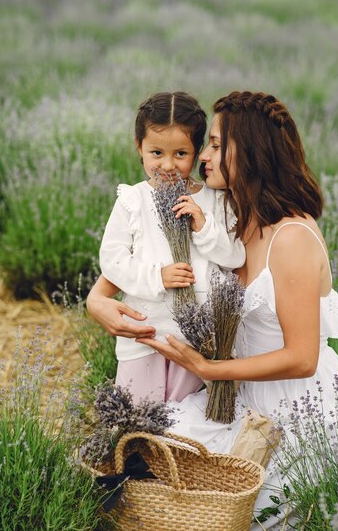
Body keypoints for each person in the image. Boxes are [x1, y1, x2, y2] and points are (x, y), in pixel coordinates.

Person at [87, 90, 338, 531]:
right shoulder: (233, 216)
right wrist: (95, 299)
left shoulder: (292, 237)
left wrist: (209, 367)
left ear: (249, 153)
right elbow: (134, 256)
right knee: (148, 459)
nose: (202, 157)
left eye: (212, 144)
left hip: (291, 404)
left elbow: (303, 357)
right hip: (232, 394)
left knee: (212, 516)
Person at [99, 91, 245, 404]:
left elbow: (235, 256)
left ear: (197, 152)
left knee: (184, 418)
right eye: (156, 153)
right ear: (139, 147)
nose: (167, 164)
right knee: (137, 416)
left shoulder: (214, 201)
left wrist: (203, 225)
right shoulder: (132, 200)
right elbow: (112, 260)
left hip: (196, 337)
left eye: (181, 154)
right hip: (144, 332)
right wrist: (157, 277)